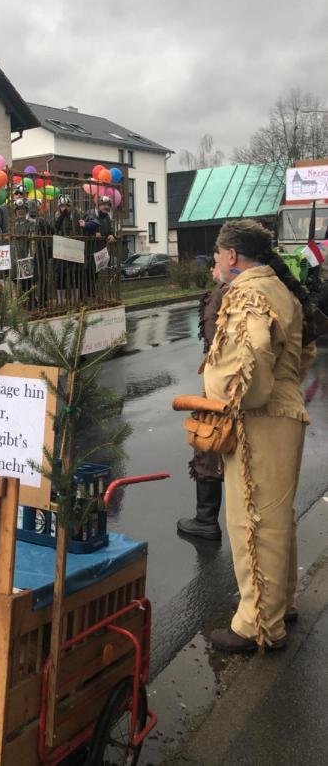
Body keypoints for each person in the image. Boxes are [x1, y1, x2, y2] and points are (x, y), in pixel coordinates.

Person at [204, 219, 316, 653]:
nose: (214, 262)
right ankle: (278, 606)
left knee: (251, 520)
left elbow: (245, 375)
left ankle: (256, 626)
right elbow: (302, 351)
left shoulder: (248, 293)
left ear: (231, 255)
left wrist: (224, 396)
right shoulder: (280, 290)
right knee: (275, 518)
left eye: (216, 254)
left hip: (261, 420)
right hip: (283, 413)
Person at [176, 263, 228, 540]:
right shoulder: (253, 292)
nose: (211, 267)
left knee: (208, 444)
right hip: (240, 386)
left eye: (216, 259)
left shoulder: (220, 295)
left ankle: (206, 519)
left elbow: (212, 341)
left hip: (220, 385)